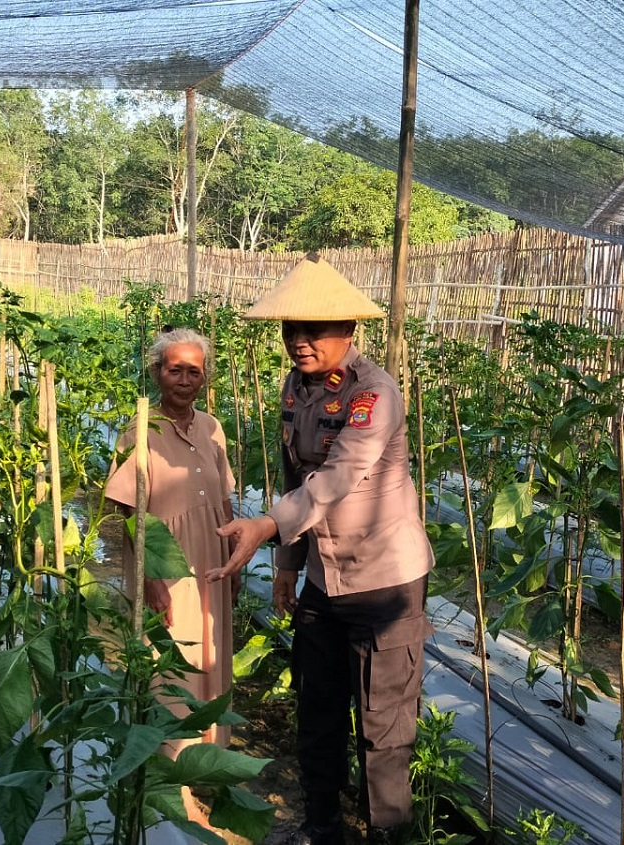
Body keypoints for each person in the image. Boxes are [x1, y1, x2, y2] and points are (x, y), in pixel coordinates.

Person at [210, 254, 434, 845]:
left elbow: (339, 476)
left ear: (348, 332)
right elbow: (294, 476)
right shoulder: (295, 388)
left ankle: (389, 833)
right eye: (291, 330)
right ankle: (321, 828)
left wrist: (264, 528)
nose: (299, 342)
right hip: (322, 578)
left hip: (383, 580)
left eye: (313, 330)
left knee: (384, 724)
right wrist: (286, 563)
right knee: (318, 708)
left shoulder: (373, 394)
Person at [104, 327, 237, 819]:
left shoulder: (212, 427)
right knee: (172, 660)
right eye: (174, 369)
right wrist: (150, 577)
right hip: (168, 559)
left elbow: (223, 497)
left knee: (212, 649)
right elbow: (123, 510)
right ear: (157, 372)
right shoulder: (139, 431)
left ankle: (208, 760)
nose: (184, 379)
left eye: (194, 371)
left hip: (212, 558)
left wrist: (236, 555)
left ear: (206, 377)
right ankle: (169, 774)